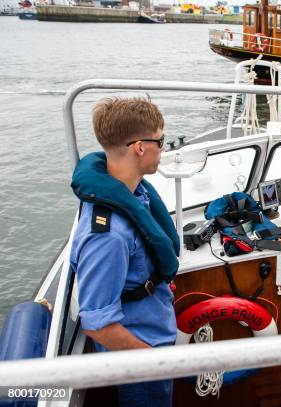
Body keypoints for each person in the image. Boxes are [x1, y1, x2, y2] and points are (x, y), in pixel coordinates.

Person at [69, 97, 180, 407]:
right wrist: (155, 363)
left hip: (153, 325)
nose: (164, 147)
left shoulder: (134, 191)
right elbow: (99, 325)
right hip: (141, 362)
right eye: (161, 140)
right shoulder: (108, 236)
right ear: (139, 147)